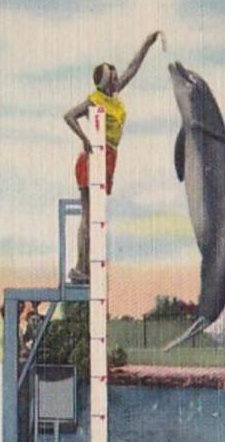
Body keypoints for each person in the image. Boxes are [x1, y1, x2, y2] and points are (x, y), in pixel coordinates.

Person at [64, 31, 163, 283]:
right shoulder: (95, 99)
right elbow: (69, 115)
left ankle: (85, 267)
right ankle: (80, 267)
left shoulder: (113, 97)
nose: (117, 77)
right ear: (104, 80)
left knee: (95, 216)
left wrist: (147, 44)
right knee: (88, 215)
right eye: (112, 75)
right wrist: (85, 139)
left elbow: (132, 68)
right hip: (94, 157)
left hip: (109, 156)